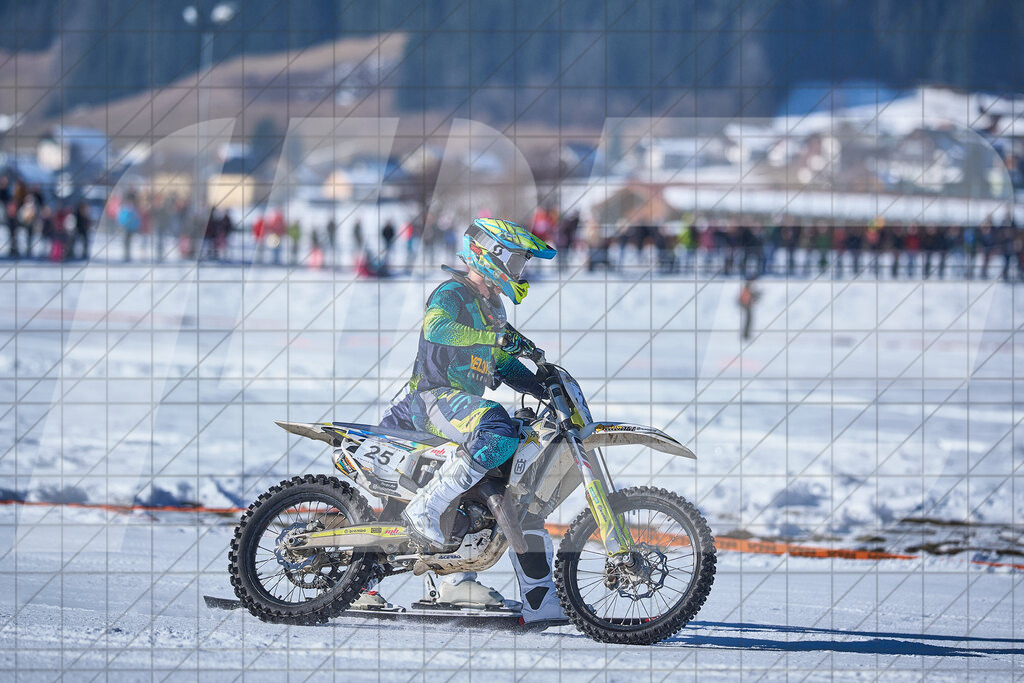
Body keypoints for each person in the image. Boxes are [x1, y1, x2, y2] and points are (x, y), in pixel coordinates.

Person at [367, 217, 563, 625]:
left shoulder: (492, 305)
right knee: (495, 426)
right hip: (429, 401)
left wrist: (542, 383)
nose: (521, 272)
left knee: (505, 470)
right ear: (494, 255)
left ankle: (457, 582)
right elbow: (435, 328)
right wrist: (491, 337)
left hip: (456, 409)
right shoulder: (453, 292)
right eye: (518, 262)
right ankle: (421, 517)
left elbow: (501, 362)